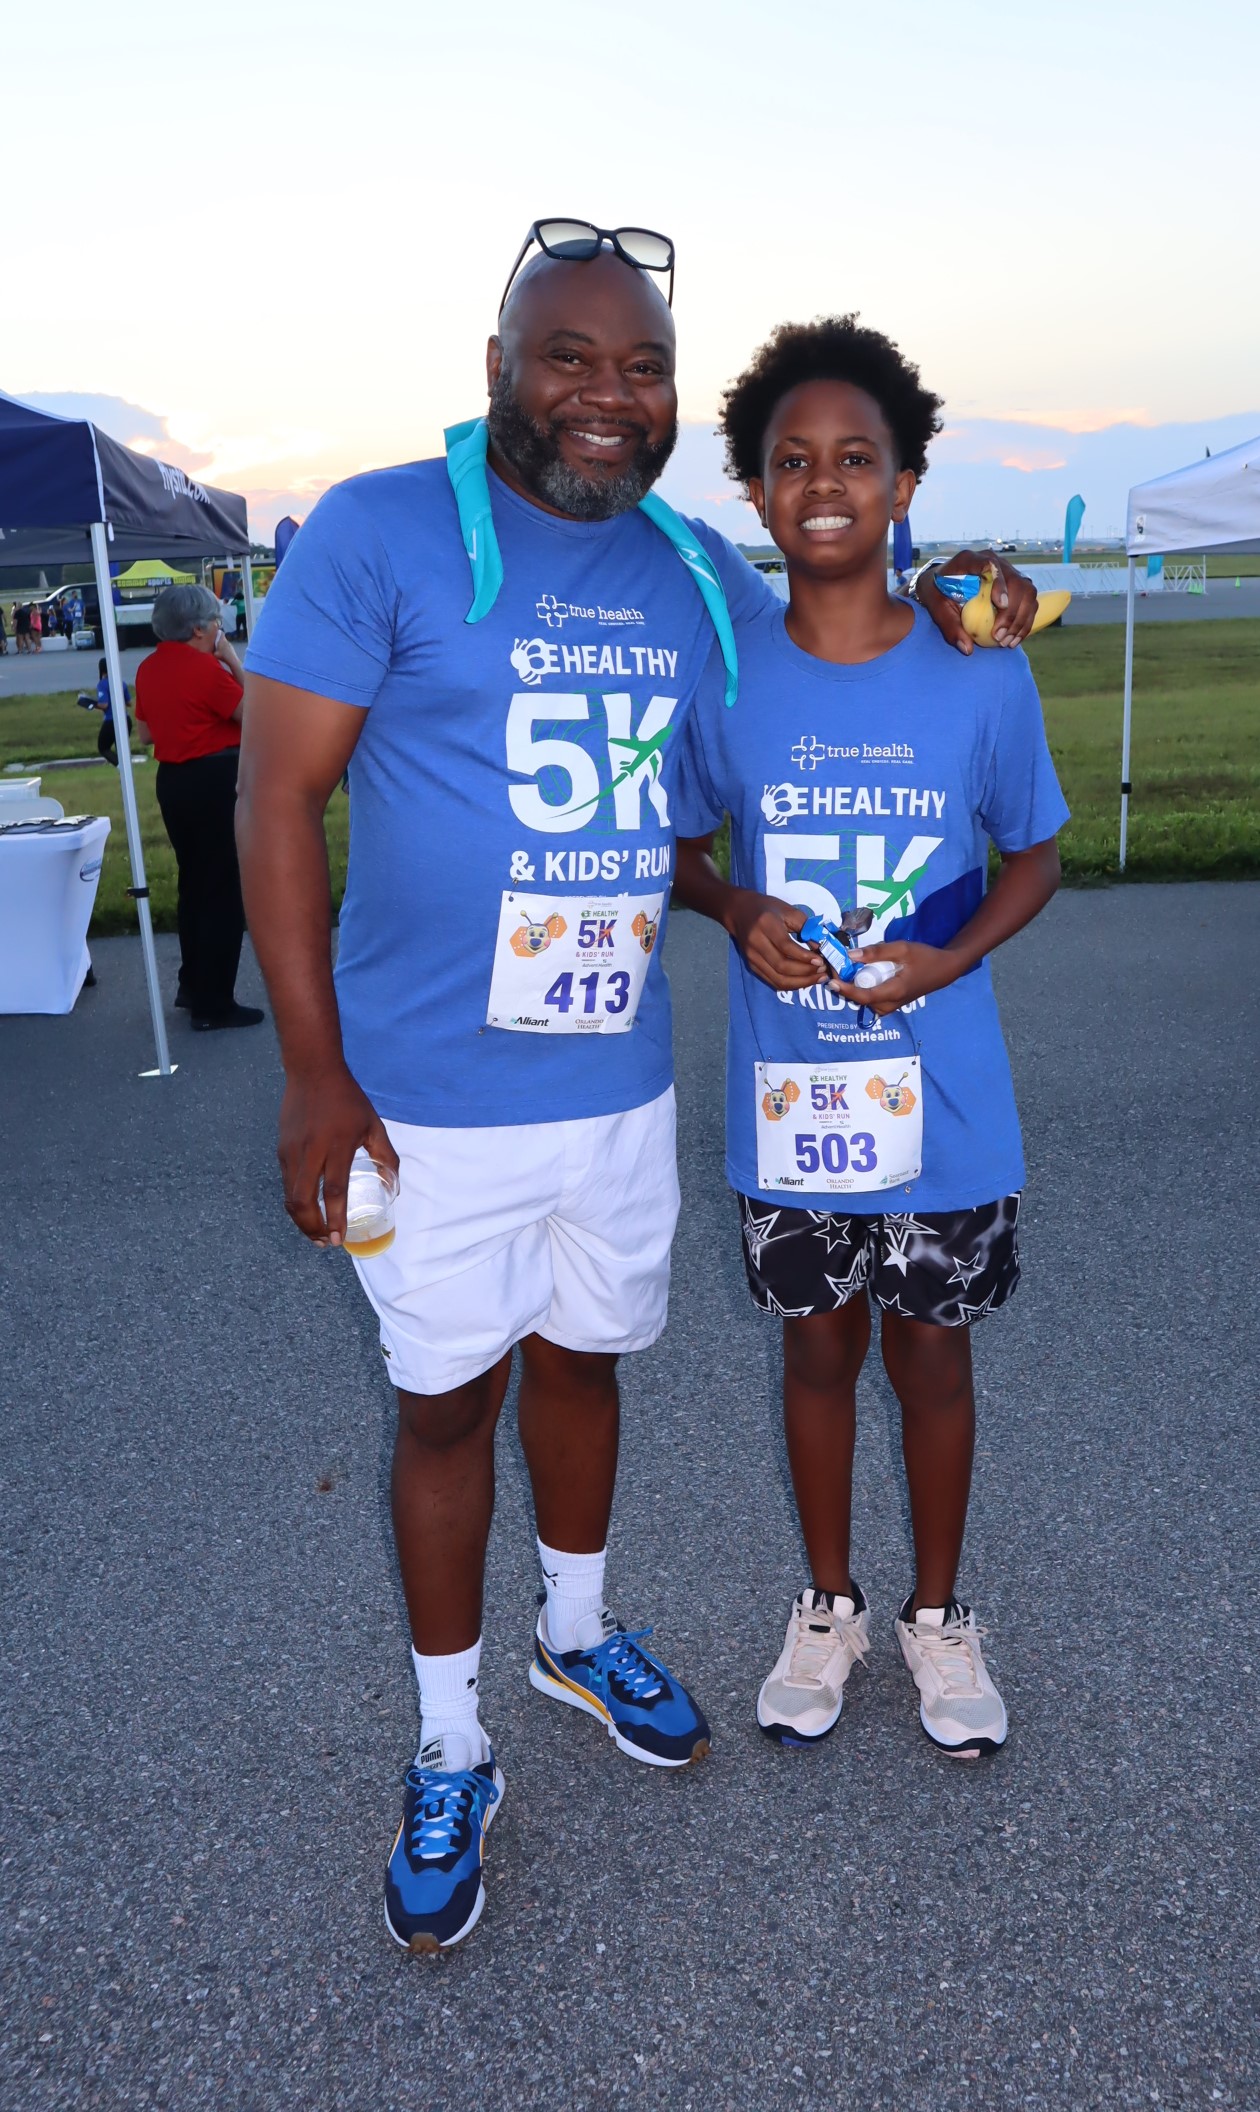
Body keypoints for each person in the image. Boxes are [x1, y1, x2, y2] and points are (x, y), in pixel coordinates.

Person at [236, 225, 1040, 1955]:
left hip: (609, 1090)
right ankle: (450, 1745)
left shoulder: (691, 572)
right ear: (498, 369)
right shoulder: (379, 530)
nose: (608, 396)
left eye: (643, 367)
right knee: (445, 1406)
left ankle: (578, 1633)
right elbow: (274, 797)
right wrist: (312, 1069)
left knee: (584, 1366)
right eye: (570, 357)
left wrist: (969, 592)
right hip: (426, 1096)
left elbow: (839, 623)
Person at [671, 316, 1068, 1761]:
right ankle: (828, 1603)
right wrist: (733, 905)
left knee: (935, 1363)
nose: (823, 483)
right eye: (791, 461)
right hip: (795, 1100)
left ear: (905, 484)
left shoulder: (980, 667)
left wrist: (951, 957)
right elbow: (681, 848)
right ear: (755, 491)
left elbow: (1036, 853)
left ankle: (940, 1616)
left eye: (855, 457)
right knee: (816, 1352)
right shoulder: (727, 673)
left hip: (944, 1099)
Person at [133, 584, 263, 1030]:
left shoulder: (149, 667)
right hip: (214, 779)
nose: (219, 629)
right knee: (223, 890)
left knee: (194, 885)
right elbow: (256, 714)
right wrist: (232, 660)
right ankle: (214, 1003)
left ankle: (193, 984)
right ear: (198, 629)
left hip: (174, 782)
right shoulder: (207, 669)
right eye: (216, 622)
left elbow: (146, 735)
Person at [92, 655, 133, 766]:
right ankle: (126, 768)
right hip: (126, 719)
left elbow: (104, 705)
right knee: (121, 748)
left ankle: (121, 766)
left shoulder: (102, 684)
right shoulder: (121, 682)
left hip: (111, 721)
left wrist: (92, 704)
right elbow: (129, 703)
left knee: (103, 747)